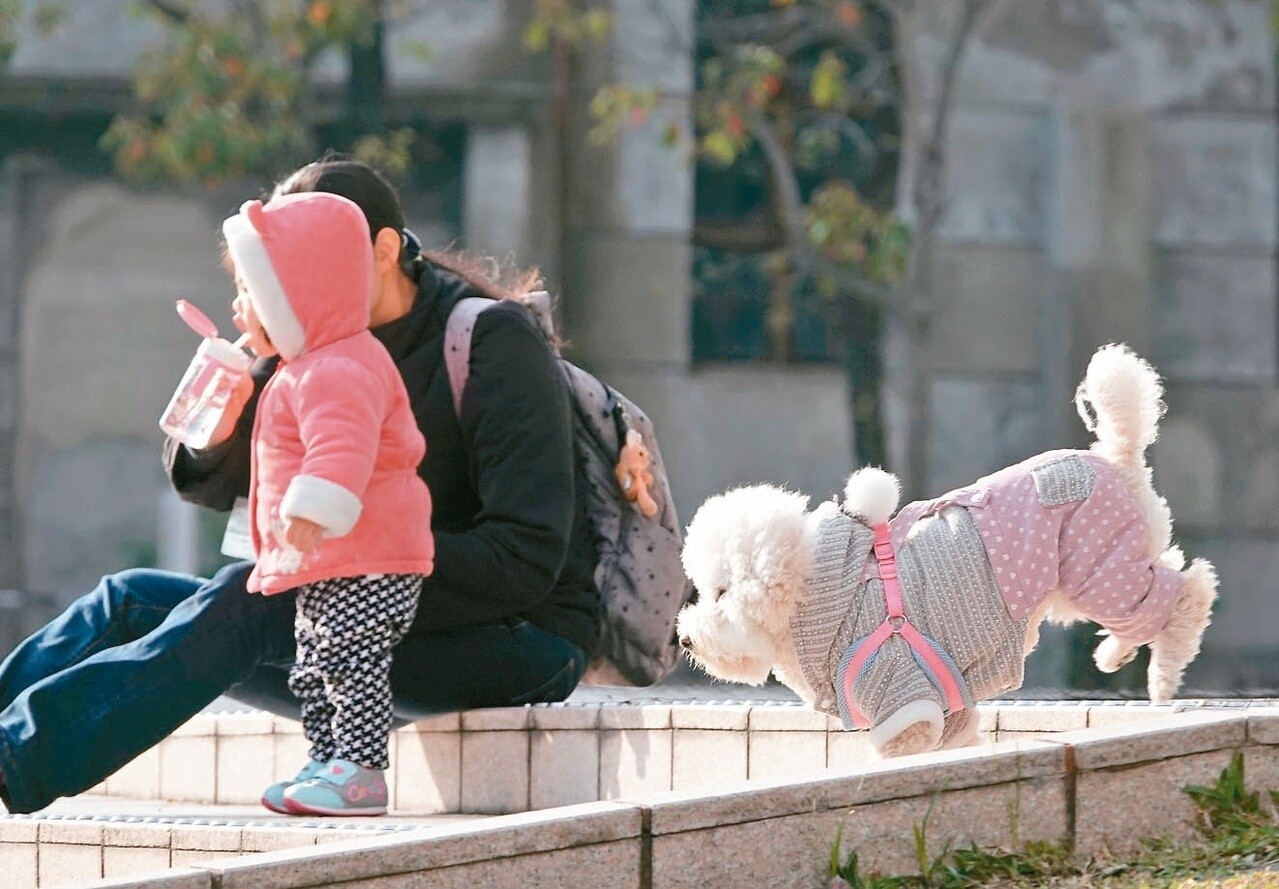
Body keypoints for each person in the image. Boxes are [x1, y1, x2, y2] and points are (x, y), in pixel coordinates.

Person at [0, 158, 599, 815]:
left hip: (516, 639)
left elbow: (524, 558)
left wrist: (347, 565)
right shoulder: (306, 341)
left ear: (383, 248)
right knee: (130, 598)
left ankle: (14, 761)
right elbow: (208, 483)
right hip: (355, 614)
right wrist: (217, 427)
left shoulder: (488, 340)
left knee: (246, 599)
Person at [220, 191, 434, 816]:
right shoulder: (306, 366)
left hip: (371, 558)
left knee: (349, 659)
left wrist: (316, 507)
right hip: (338, 561)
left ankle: (361, 772)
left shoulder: (337, 368)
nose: (239, 310)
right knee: (313, 667)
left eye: (252, 294)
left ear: (301, 293)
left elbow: (343, 447)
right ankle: (327, 761)